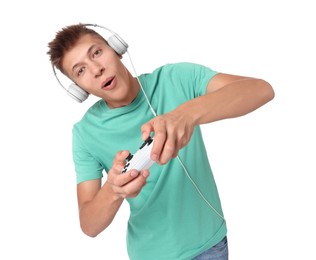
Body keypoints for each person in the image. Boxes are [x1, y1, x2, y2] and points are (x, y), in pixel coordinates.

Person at [47, 24, 274, 260]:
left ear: (116, 49)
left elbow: (261, 89)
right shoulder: (85, 133)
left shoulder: (176, 79)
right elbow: (89, 224)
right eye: (80, 71)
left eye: (96, 53)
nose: (96, 69)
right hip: (148, 254)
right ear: (79, 89)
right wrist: (113, 190)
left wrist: (186, 114)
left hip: (209, 246)